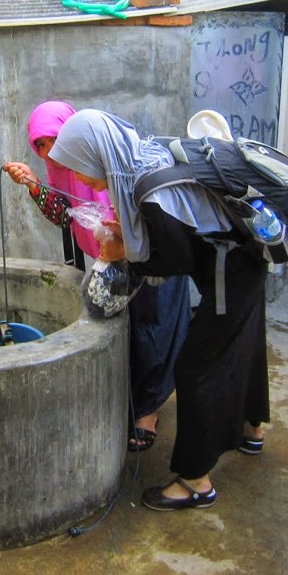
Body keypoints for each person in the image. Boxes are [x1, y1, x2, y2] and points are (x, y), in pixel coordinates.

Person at [48, 108, 269, 512]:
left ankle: (195, 482)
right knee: (245, 342)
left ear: (98, 153)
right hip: (245, 256)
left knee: (196, 367)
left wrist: (120, 254)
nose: (79, 178)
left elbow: (174, 262)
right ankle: (251, 430)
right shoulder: (145, 156)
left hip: (231, 272)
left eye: (79, 165)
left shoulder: (147, 190)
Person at [3, 101, 190, 452]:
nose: (50, 151)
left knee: (153, 330)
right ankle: (136, 400)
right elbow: (67, 216)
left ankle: (148, 411)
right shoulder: (62, 170)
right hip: (118, 259)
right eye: (40, 145)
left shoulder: (117, 165)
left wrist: (126, 238)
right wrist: (34, 185)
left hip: (152, 258)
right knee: (131, 332)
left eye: (54, 140)